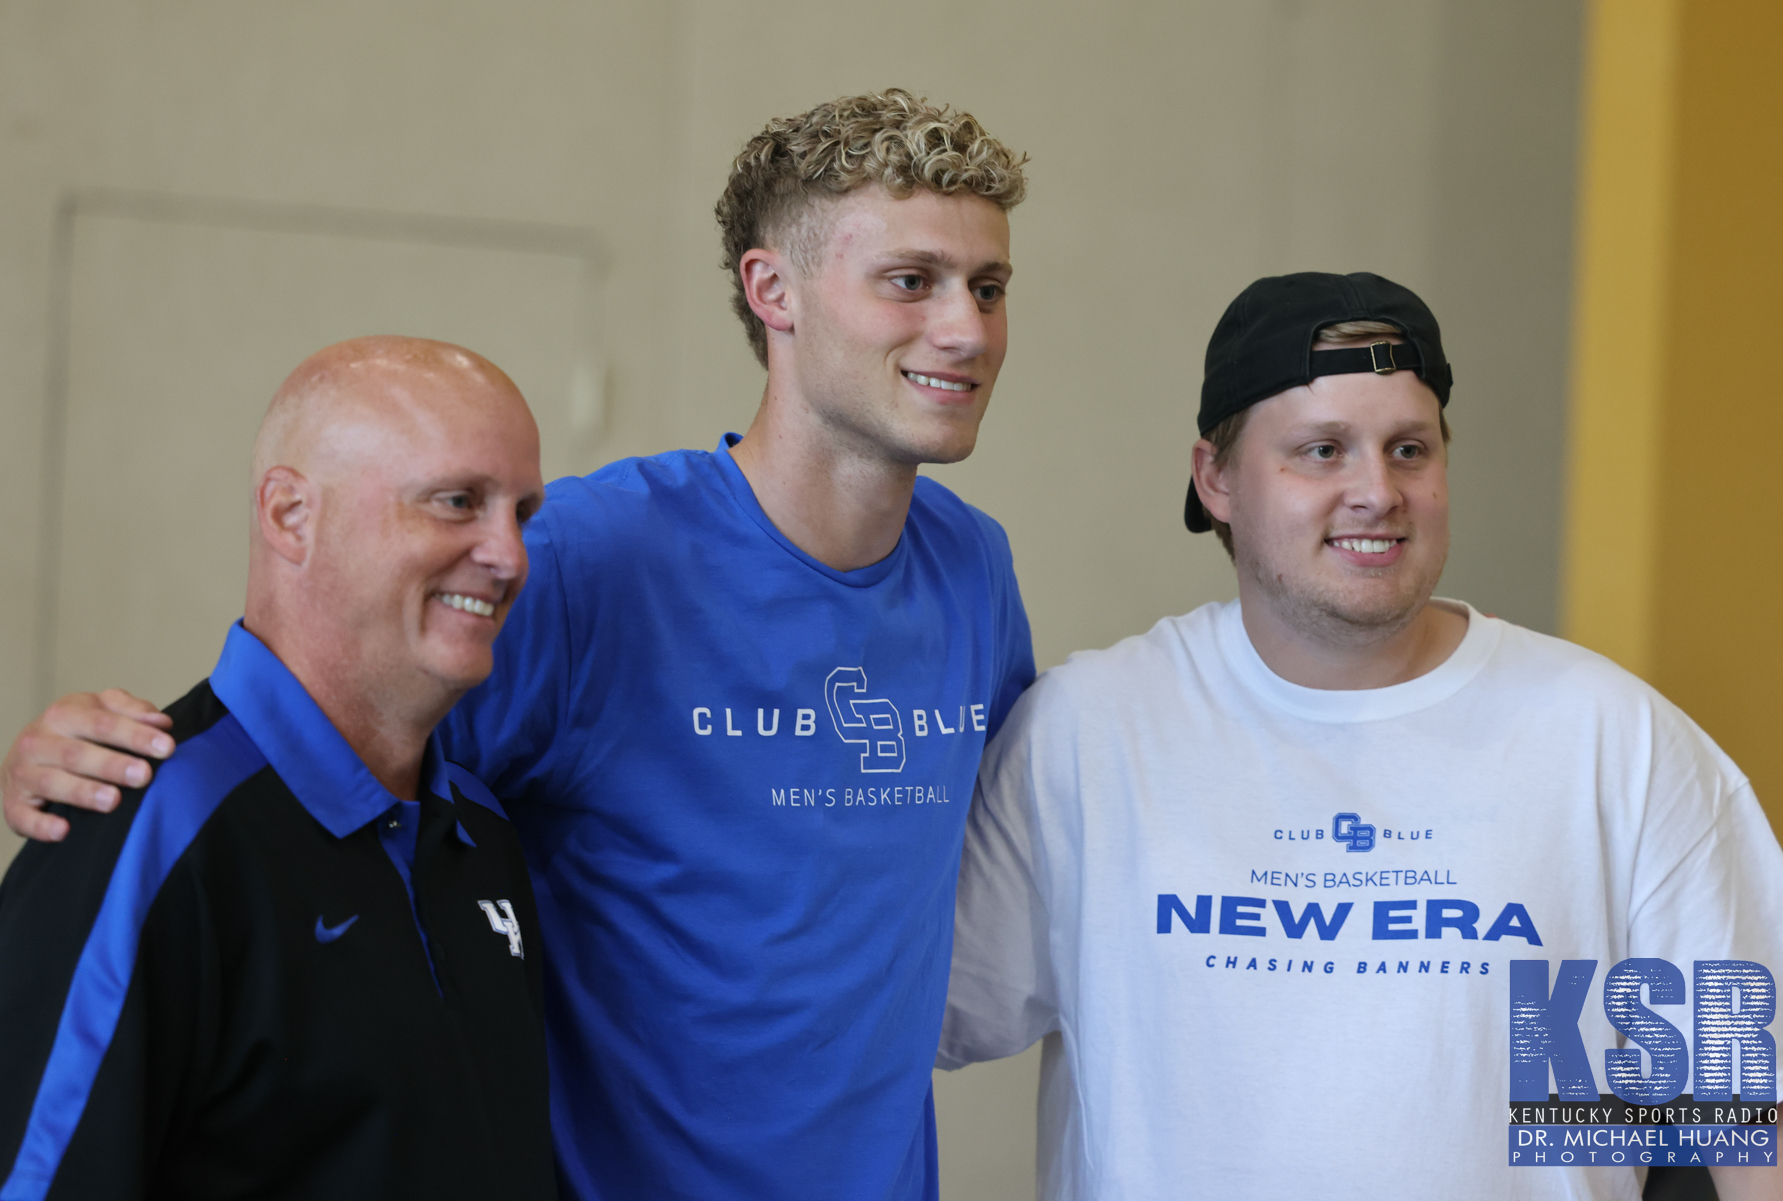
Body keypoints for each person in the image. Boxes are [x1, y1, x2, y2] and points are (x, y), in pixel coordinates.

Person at [4, 91, 1034, 1200]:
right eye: (911, 280)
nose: (966, 329)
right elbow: (319, 747)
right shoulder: (588, 558)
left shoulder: (973, 570)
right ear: (770, 291)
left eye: (987, 288)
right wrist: (115, 767)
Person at [936, 272, 1783, 1200]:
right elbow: (902, 1021)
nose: (1377, 492)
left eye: (1409, 449)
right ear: (1215, 478)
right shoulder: (1087, 737)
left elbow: (1758, 1122)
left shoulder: (1612, 743)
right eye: (1322, 450)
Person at [0, 337, 556, 1200]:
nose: (511, 556)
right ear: (290, 515)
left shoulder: (481, 831)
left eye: (522, 512)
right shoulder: (144, 831)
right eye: (457, 502)